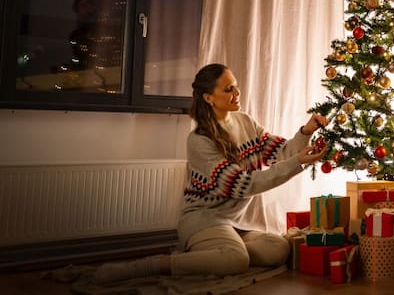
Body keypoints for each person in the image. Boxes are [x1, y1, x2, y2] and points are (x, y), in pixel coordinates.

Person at [93, 63, 328, 283]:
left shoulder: (245, 122)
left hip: (236, 223)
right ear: (208, 98)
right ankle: (147, 266)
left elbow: (282, 152)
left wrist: (306, 131)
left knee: (278, 248)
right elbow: (243, 185)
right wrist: (297, 162)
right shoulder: (199, 141)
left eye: (235, 85)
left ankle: (221, 253)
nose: (236, 92)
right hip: (203, 221)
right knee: (236, 260)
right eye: (228, 89)